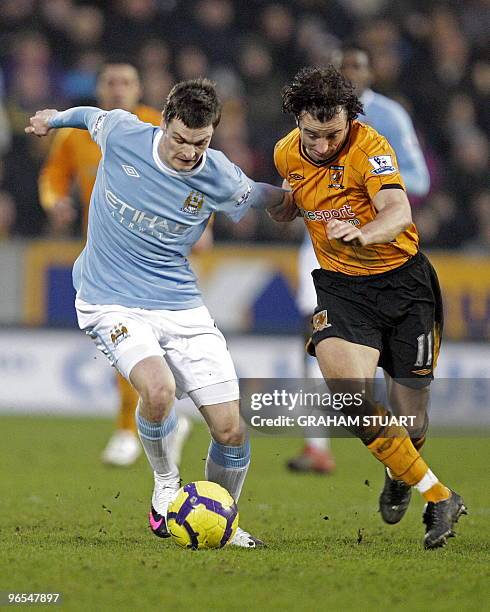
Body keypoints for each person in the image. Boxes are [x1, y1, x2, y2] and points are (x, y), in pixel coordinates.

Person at [26, 78, 294, 547]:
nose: (190, 153)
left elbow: (258, 195)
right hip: (107, 299)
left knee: (231, 431)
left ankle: (223, 519)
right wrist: (53, 119)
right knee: (158, 388)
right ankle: (166, 485)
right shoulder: (125, 133)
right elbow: (89, 116)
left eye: (201, 143)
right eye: (181, 140)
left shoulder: (219, 175)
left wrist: (295, 199)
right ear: (164, 123)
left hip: (180, 306)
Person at [274, 65, 466, 549]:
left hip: (404, 288)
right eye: (311, 134)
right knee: (349, 395)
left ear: (350, 120)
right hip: (342, 289)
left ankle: (402, 471)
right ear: (298, 120)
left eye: (331, 134)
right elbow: (291, 201)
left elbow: (398, 211)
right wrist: (280, 206)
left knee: (412, 422)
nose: (320, 145)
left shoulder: (371, 148)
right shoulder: (285, 153)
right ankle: (440, 495)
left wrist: (365, 232)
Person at [39, 60, 194, 467]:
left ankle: (148, 422)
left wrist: (201, 223)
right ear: (99, 89)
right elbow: (53, 176)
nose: (118, 89)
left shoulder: (158, 127)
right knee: (123, 338)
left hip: (157, 250)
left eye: (126, 82)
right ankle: (134, 426)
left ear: (139, 88)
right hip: (107, 254)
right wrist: (56, 202)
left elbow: (196, 175)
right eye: (110, 82)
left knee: (145, 340)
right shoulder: (78, 133)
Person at [287, 45, 431, 475]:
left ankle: (399, 458)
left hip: (385, 252)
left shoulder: (386, 120)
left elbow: (417, 180)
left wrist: (376, 194)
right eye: (341, 68)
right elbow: (291, 176)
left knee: (404, 391)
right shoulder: (310, 124)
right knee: (312, 338)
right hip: (324, 245)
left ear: (370, 74)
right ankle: (317, 446)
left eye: (357, 67)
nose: (349, 74)